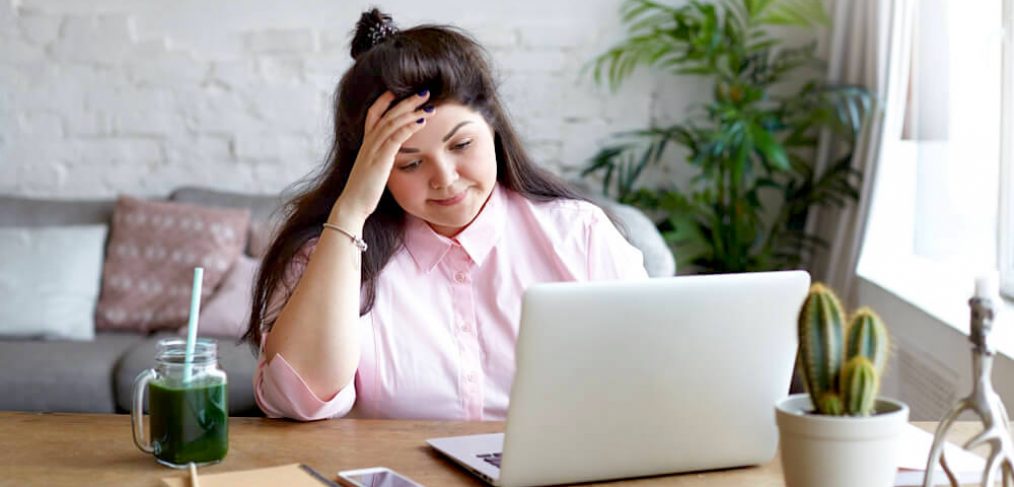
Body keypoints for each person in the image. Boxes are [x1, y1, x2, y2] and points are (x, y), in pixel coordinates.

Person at [244, 8, 648, 422]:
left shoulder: (579, 234)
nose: (445, 179)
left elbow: (651, 377)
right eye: (410, 164)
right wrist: (349, 212)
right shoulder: (327, 255)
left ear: (492, 128)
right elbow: (296, 401)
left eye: (461, 145)